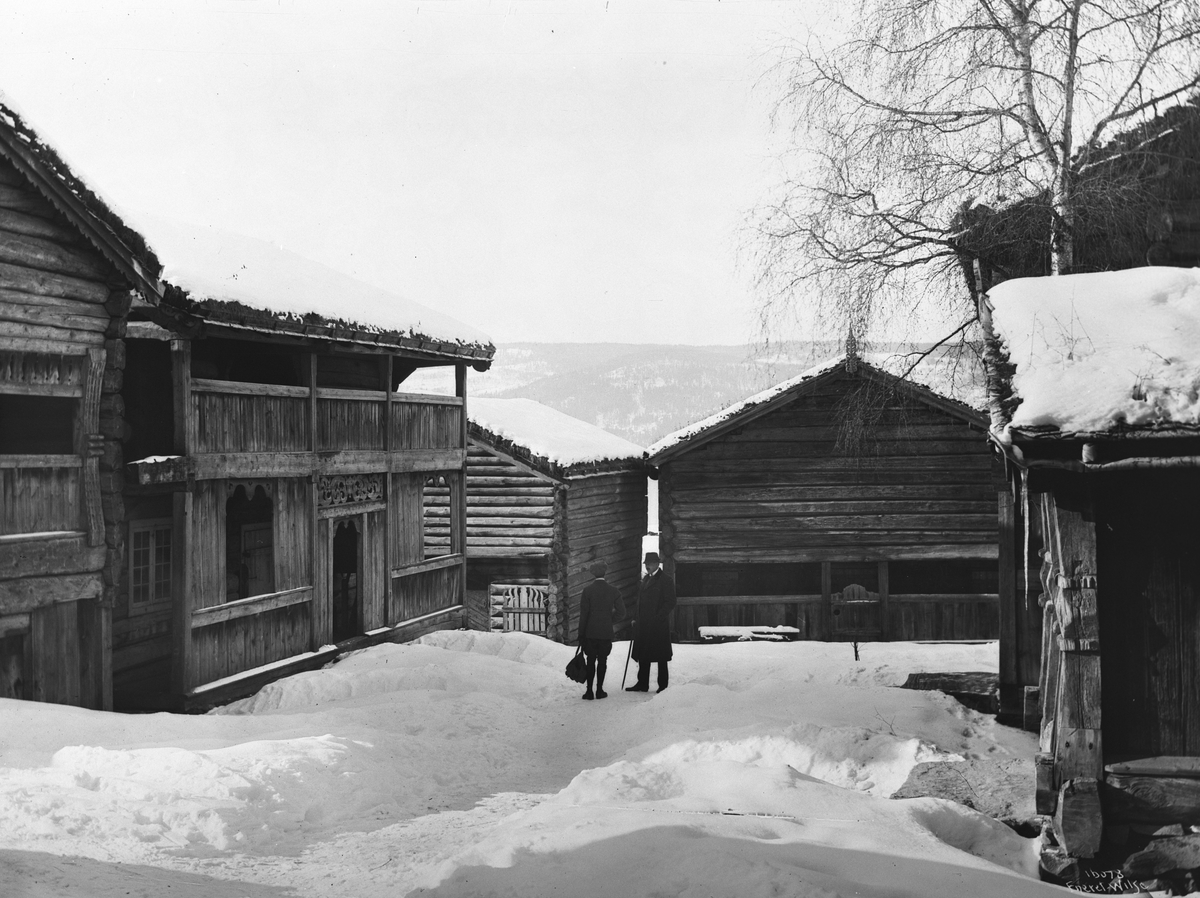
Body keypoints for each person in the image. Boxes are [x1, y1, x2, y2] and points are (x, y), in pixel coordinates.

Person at [626, 551, 676, 694]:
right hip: (643, 624)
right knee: (643, 654)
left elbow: (671, 601)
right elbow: (640, 602)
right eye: (646, 564)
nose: (647, 566)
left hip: (658, 625)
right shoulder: (645, 579)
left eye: (650, 564)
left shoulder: (665, 580)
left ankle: (663, 685)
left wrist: (659, 617)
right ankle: (642, 683)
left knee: (661, 656)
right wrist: (636, 617)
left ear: (657, 564)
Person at [577, 561, 625, 700]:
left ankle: (589, 692)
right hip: (605, 632)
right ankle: (600, 690)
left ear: (593, 573)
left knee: (590, 661)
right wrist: (610, 621)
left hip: (590, 633)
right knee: (603, 661)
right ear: (605, 572)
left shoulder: (587, 591)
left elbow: (584, 615)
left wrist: (581, 634)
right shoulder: (613, 591)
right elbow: (622, 612)